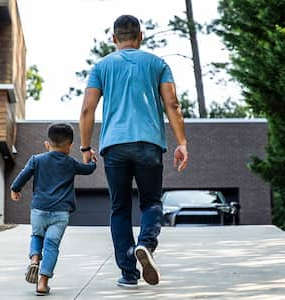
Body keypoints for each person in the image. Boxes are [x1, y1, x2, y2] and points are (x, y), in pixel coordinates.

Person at [79, 15, 188, 288]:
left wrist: (84, 147)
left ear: (114, 39)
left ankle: (128, 274)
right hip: (149, 144)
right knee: (151, 202)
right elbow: (172, 104)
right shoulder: (157, 63)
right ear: (141, 37)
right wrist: (182, 142)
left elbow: (87, 110)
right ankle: (146, 245)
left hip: (114, 146)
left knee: (120, 209)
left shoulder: (102, 67)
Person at [10, 123, 96, 295]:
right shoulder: (71, 163)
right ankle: (42, 283)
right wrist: (91, 159)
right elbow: (88, 170)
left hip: (39, 210)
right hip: (60, 213)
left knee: (36, 235)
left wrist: (15, 189)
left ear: (47, 144)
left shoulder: (37, 160)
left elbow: (23, 175)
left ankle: (34, 259)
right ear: (70, 146)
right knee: (51, 245)